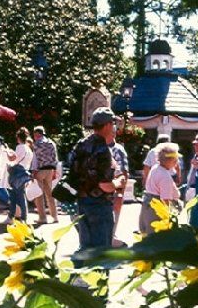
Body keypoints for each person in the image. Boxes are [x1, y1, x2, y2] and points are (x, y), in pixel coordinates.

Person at [69, 107, 125, 261]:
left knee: (86, 245)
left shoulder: (81, 144)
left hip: (82, 202)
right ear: (107, 125)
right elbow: (104, 185)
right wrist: (118, 182)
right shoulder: (103, 150)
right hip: (99, 205)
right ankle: (99, 282)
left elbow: (73, 170)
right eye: (113, 123)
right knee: (102, 250)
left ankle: (81, 279)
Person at [139, 142, 182, 236]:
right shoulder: (165, 176)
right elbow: (165, 200)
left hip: (147, 205)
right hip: (155, 210)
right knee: (155, 238)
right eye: (176, 159)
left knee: (146, 235)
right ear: (170, 160)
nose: (177, 161)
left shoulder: (155, 168)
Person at [30, 125, 59, 224]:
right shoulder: (51, 143)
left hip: (40, 170)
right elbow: (55, 158)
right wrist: (55, 170)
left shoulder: (37, 144)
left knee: (39, 195)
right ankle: (55, 216)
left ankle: (42, 218)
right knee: (50, 194)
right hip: (50, 169)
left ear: (36, 134)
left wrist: (33, 172)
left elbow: (35, 160)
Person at [5, 127, 34, 225]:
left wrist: (7, 152)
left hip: (17, 172)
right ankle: (15, 216)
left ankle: (20, 217)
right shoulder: (29, 149)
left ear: (18, 137)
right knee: (18, 195)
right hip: (24, 172)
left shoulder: (20, 147)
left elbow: (13, 159)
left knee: (16, 196)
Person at [108, 132, 129, 246]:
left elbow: (124, 172)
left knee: (113, 221)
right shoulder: (96, 146)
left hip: (114, 190)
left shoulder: (118, 150)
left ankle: (113, 241)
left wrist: (120, 193)